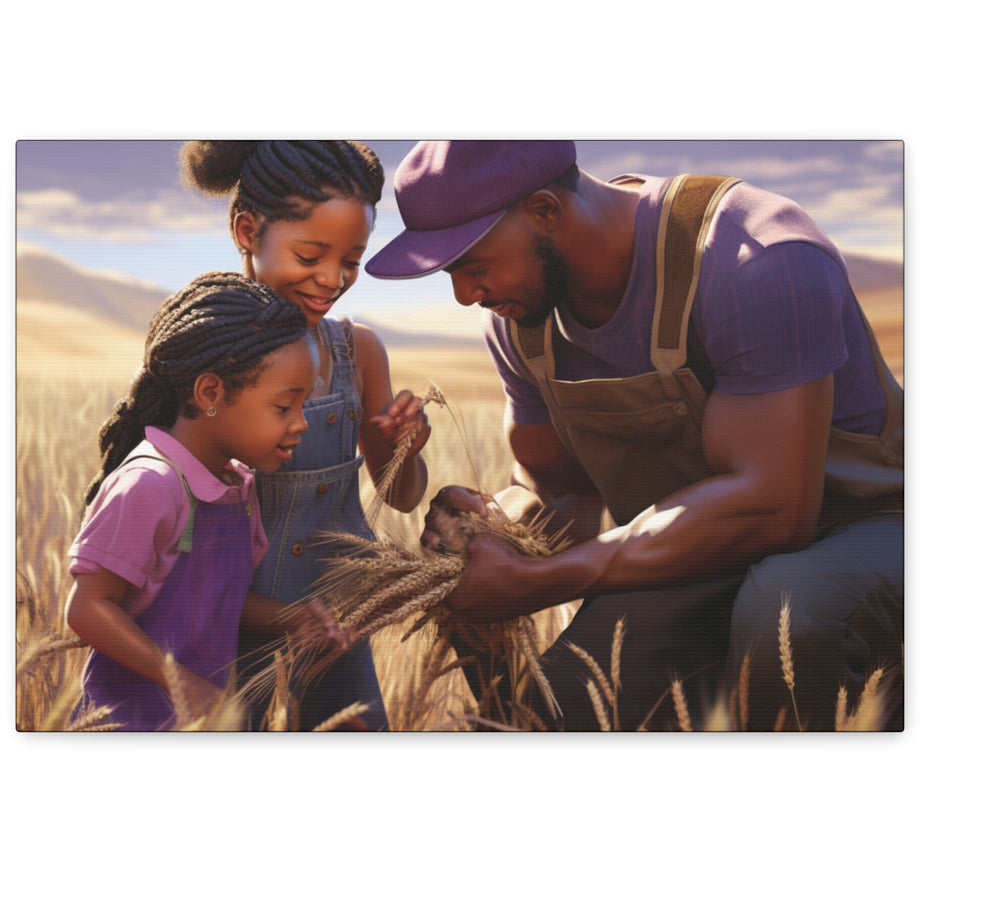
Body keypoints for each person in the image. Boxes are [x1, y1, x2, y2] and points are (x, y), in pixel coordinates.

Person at [365, 141, 903, 731]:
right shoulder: (521, 323)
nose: (466, 295)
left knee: (791, 612)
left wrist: (537, 581)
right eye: (451, 275)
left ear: (544, 211)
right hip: (695, 550)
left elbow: (775, 511)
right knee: (557, 709)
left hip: (868, 526)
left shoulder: (758, 258)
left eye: (473, 265)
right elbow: (557, 495)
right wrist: (486, 532)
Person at [180, 141, 431, 731]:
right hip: (229, 623)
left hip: (336, 623)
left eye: (350, 260)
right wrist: (279, 616)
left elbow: (401, 495)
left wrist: (404, 448)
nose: (331, 279)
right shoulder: (205, 353)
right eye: (311, 254)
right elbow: (176, 528)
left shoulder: (357, 351)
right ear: (247, 231)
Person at [65, 272, 342, 731]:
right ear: (211, 393)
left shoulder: (237, 487)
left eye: (303, 405)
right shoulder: (149, 484)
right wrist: (183, 684)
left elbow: (216, 597)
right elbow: (88, 608)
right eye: (283, 407)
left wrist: (293, 619)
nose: (301, 424)